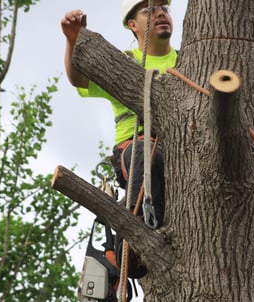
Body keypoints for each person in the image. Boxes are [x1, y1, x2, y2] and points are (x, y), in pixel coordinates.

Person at [61, 0, 177, 229]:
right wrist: (72, 40)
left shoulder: (188, 62)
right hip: (138, 150)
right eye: (150, 11)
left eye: (164, 8)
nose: (161, 14)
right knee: (146, 155)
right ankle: (139, 236)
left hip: (180, 152)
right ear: (132, 24)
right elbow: (78, 79)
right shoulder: (124, 63)